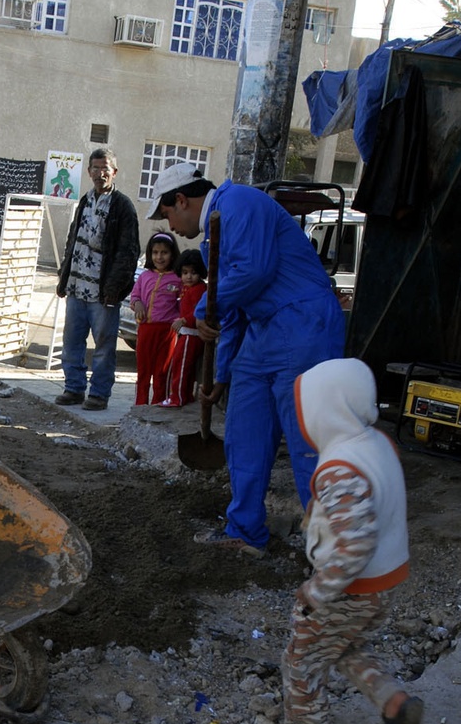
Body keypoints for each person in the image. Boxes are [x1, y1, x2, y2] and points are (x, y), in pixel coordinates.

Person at [150, 161, 345, 554]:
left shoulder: (240, 202)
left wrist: (205, 307)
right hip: (262, 330)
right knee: (244, 432)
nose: (169, 226)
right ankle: (245, 529)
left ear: (182, 200)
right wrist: (222, 375)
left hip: (302, 323)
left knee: (308, 443)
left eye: (167, 213)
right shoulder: (212, 238)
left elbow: (255, 272)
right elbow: (234, 308)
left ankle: (334, 557)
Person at [258, 358, 423, 724]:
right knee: (343, 645)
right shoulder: (376, 444)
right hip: (382, 584)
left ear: (325, 410)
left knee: (301, 660)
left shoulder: (340, 470)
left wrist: (317, 591)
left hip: (349, 589)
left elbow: (354, 545)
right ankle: (393, 701)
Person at [55, 147, 141, 411]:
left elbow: (128, 251)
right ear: (89, 171)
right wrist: (64, 276)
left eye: (105, 168)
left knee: (104, 347)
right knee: (72, 342)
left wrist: (115, 288)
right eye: (95, 168)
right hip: (77, 287)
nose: (99, 173)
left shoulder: (122, 206)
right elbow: (73, 240)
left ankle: (99, 394)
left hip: (103, 291)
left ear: (114, 172)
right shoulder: (85, 201)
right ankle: (73, 388)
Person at [129, 230, 181, 405]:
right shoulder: (145, 276)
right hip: (146, 331)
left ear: (172, 254)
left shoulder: (178, 278)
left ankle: (158, 406)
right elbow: (135, 296)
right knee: (144, 372)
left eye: (164, 252)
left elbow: (183, 303)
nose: (159, 257)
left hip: (167, 332)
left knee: (162, 372)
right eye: (155, 252)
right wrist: (138, 305)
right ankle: (140, 406)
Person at [162, 249, 207, 407]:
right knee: (182, 366)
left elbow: (199, 313)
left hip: (191, 335)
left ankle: (177, 398)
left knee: (181, 367)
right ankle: (184, 396)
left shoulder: (200, 290)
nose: (189, 276)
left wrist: (183, 320)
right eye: (185, 272)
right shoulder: (188, 288)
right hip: (187, 333)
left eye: (193, 272)